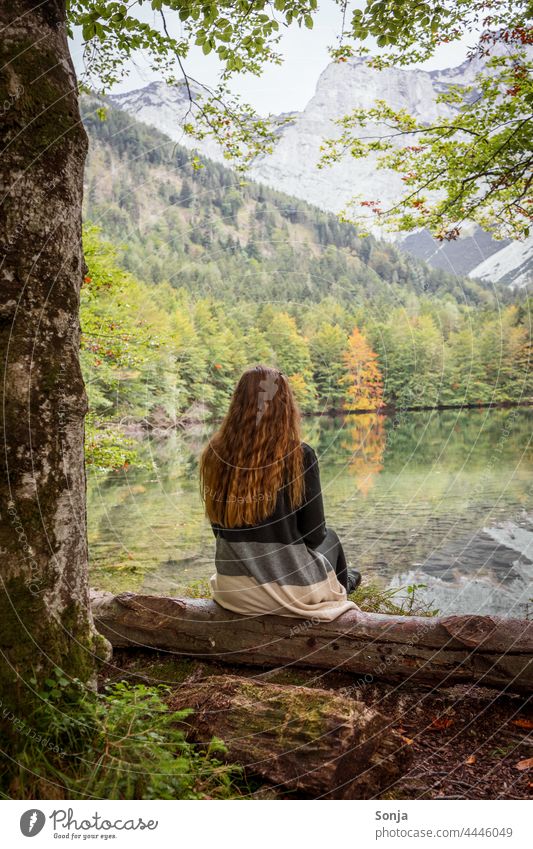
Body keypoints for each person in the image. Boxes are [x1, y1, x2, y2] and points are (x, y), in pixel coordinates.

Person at [199, 364, 361, 620]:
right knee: (332, 538)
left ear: (237, 404)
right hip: (290, 593)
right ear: (285, 407)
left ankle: (342, 582)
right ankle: (343, 585)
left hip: (233, 592)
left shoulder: (214, 455)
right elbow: (315, 534)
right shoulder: (300, 455)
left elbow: (219, 530)